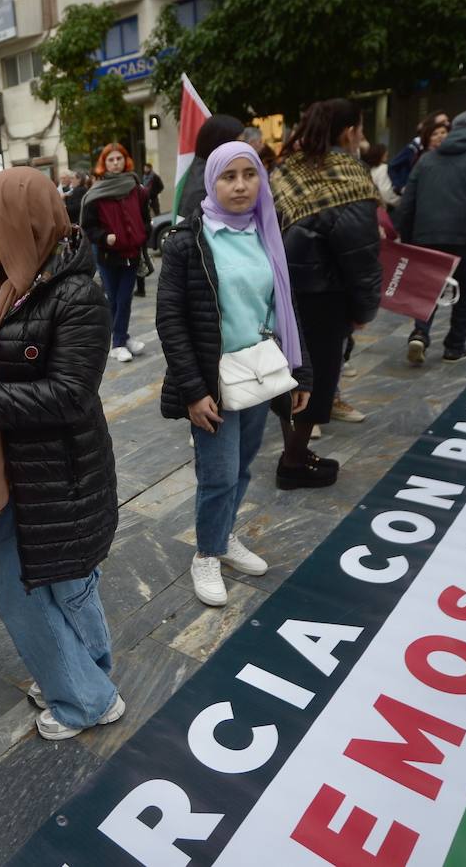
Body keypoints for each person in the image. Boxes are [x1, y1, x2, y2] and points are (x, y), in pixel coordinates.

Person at [0, 167, 123, 739]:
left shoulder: (76, 294)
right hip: (0, 470)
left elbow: (68, 394)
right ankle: (85, 678)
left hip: (57, 474)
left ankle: (84, 698)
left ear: (22, 223)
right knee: (43, 586)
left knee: (49, 589)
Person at [158, 142, 312, 606]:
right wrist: (193, 389)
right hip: (214, 380)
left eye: (250, 174)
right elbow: (170, 319)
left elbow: (286, 306)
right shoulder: (188, 241)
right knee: (219, 474)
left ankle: (223, 537)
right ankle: (205, 553)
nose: (241, 185)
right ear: (212, 181)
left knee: (242, 467)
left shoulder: (267, 231)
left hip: (259, 374)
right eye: (229, 176)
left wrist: (301, 375)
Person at [271, 98, 381, 489]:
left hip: (284, 290)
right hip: (324, 295)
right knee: (317, 380)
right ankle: (294, 463)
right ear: (349, 131)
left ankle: (294, 452)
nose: (362, 136)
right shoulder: (350, 174)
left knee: (291, 376)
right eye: (361, 128)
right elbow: (361, 253)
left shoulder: (286, 169)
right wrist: (364, 308)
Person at [397, 110, 466, 361]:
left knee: (428, 289)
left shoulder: (427, 159)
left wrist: (408, 244)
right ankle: (454, 346)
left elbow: (407, 204)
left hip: (425, 236)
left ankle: (420, 334)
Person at [81, 143, 150, 363]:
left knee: (125, 299)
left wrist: (143, 234)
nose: (115, 163)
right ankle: (118, 342)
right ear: (104, 163)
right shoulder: (96, 192)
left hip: (132, 253)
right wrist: (104, 237)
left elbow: (144, 216)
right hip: (108, 256)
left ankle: (121, 338)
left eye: (119, 158)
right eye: (110, 160)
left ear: (126, 160)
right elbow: (89, 226)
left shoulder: (135, 188)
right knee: (114, 300)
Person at [179, 115, 247, 217]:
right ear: (220, 144)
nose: (244, 150)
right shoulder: (201, 189)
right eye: (239, 144)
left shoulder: (210, 171)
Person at [388, 112, 450, 194]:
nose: (448, 123)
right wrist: (400, 187)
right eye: (443, 122)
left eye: (447, 120)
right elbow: (393, 166)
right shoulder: (415, 149)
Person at [363, 142, 400, 207]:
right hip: (386, 207)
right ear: (379, 154)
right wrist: (399, 201)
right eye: (385, 152)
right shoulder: (384, 168)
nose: (387, 153)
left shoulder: (370, 171)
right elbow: (385, 192)